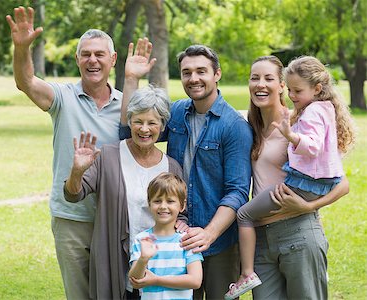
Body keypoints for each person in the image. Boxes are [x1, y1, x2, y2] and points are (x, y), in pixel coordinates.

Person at [6, 6, 122, 299]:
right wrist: (22, 48)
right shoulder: (62, 97)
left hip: (117, 217)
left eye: (99, 54)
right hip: (72, 217)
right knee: (79, 295)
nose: (92, 60)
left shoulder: (127, 105)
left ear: (113, 60)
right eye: (86, 54)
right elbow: (26, 82)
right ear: (77, 59)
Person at [121, 41, 253, 299]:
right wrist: (130, 80)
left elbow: (237, 191)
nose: (194, 78)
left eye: (201, 71)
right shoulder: (178, 112)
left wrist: (209, 233)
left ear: (217, 74)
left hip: (218, 244)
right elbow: (133, 128)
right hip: (175, 238)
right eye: (186, 73)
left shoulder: (234, 126)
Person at [225, 55, 352, 299]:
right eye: (254, 78)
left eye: (269, 78)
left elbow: (342, 183)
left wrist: (309, 205)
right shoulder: (247, 126)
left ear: (282, 85)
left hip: (297, 231)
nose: (260, 84)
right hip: (260, 238)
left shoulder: (299, 124)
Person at [64, 85, 188, 299]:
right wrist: (76, 171)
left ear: (162, 126)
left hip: (160, 268)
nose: (144, 129)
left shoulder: (172, 166)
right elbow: (74, 194)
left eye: (152, 123)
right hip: (114, 260)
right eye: (138, 121)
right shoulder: (109, 156)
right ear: (129, 122)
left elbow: (180, 214)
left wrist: (183, 223)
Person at [129, 172, 203, 299]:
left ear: (182, 205)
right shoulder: (142, 239)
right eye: (157, 201)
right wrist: (143, 259)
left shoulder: (187, 240)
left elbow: (195, 281)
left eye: (170, 201)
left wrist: (157, 280)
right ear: (149, 203)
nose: (163, 206)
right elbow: (135, 281)